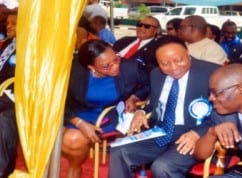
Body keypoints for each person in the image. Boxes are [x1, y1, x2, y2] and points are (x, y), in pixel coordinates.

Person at [109, 35, 220, 178]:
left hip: (195, 134)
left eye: (179, 60)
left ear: (187, 53)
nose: (173, 68)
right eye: (165, 63)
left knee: (163, 167)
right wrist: (141, 111)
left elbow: (226, 113)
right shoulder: (156, 74)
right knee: (118, 150)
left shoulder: (213, 73)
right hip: (160, 130)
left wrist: (198, 133)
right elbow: (155, 104)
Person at [62, 39, 150, 178]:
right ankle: (74, 167)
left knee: (72, 139)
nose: (115, 67)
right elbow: (59, 100)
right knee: (66, 138)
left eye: (116, 60)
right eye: (106, 66)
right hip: (76, 113)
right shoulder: (73, 70)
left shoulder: (129, 68)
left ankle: (74, 168)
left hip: (110, 115)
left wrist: (134, 96)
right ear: (91, 67)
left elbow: (150, 83)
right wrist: (78, 122)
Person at [0, 10, 17, 178]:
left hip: (14, 93)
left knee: (5, 119)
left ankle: (3, 170)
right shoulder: (8, 43)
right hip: (3, 91)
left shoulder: (30, 47)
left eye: (13, 23)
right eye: (7, 23)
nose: (8, 26)